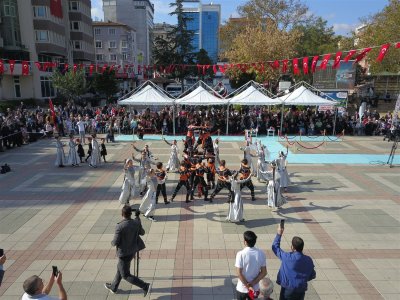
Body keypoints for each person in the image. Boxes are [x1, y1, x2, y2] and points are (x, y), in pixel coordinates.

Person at [105, 206, 151, 296]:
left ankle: (145, 286)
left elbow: (115, 242)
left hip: (123, 253)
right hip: (132, 251)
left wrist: (111, 242)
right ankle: (114, 287)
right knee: (120, 269)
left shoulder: (119, 226)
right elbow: (142, 232)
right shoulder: (135, 222)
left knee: (125, 275)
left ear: (122, 214)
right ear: (130, 214)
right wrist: (138, 219)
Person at [272, 224, 316, 300]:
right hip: (301, 290)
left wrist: (279, 234)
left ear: (292, 247)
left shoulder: (287, 257)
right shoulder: (309, 260)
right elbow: (312, 275)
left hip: (288, 290)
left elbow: (275, 248)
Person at [235, 231, 267, 300]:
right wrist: (252, 283)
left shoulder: (240, 254)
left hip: (242, 289)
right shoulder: (261, 253)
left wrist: (247, 285)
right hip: (255, 289)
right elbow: (264, 272)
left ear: (245, 242)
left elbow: (239, 273)